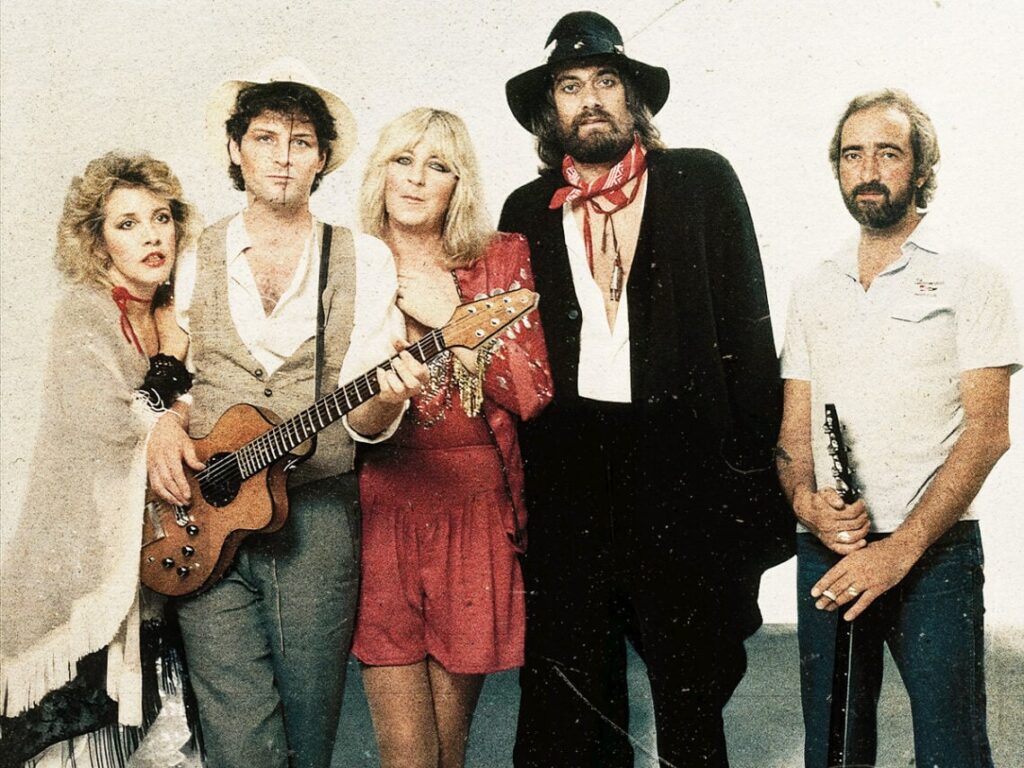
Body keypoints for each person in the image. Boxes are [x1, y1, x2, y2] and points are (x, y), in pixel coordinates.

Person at [499, 11, 792, 768]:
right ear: (549, 109)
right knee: (574, 698)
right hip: (571, 477)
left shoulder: (700, 180)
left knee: (692, 693)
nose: (591, 98)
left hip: (680, 475)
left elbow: (749, 339)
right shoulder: (526, 210)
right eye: (570, 86)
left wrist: (748, 486)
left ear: (632, 99)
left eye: (606, 80)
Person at [144, 59, 426, 768]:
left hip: (315, 515)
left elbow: (365, 422)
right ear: (235, 149)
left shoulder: (363, 258)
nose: (282, 157)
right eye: (265, 138)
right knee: (236, 737)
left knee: (307, 729)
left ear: (322, 159)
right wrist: (163, 421)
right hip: (204, 513)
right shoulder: (196, 252)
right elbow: (171, 368)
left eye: (301, 142)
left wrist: (389, 397)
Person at [775, 89, 1018, 768]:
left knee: (952, 752)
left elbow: (988, 432)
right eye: (853, 154)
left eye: (888, 153)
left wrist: (900, 551)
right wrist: (806, 504)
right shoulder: (814, 284)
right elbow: (792, 435)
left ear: (921, 168)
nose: (868, 169)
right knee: (835, 752)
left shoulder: (970, 276)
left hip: (934, 554)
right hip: (832, 548)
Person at [340, 107, 552, 768]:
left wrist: (452, 320)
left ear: (459, 184)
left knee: (447, 752)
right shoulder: (349, 262)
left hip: (473, 508)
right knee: (405, 754)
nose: (415, 179)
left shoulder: (498, 257)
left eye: (437, 166)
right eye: (402, 161)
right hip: (382, 507)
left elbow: (531, 391)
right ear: (379, 171)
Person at [0, 151, 198, 767]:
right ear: (97, 241)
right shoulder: (84, 313)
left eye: (161, 218)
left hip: (159, 563)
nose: (151, 236)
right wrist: (171, 362)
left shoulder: (172, 312)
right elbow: (117, 429)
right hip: (82, 570)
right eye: (127, 224)